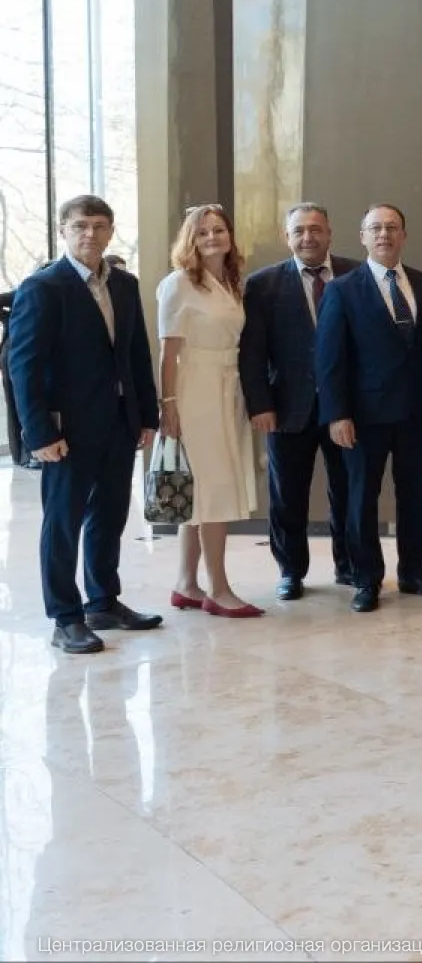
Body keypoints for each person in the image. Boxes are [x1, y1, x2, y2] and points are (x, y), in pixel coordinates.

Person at [7, 195, 162, 654]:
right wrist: (39, 433)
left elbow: (136, 354)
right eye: (80, 226)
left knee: (110, 517)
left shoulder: (126, 285)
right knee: (63, 523)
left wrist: (146, 416)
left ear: (111, 231)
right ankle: (65, 617)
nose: (89, 234)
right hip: (67, 430)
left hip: (119, 423)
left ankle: (103, 602)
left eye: (98, 226)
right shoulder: (43, 287)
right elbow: (23, 367)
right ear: (64, 231)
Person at [316, 204, 422, 613]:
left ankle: (415, 573)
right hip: (363, 417)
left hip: (417, 412)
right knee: (362, 499)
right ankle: (366, 580)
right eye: (375, 228)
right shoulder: (342, 289)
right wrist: (337, 414)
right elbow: (329, 359)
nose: (384, 235)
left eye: (392, 227)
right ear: (362, 237)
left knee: (413, 496)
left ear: (404, 235)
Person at [240, 202, 358, 600]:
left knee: (348, 491)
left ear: (330, 233)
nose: (308, 237)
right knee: (287, 496)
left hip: (345, 407)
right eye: (299, 231)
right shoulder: (263, 284)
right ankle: (291, 570)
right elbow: (252, 352)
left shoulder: (356, 274)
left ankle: (348, 565)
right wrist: (260, 404)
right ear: (286, 237)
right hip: (287, 408)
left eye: (316, 229)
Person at [157, 204, 261, 618]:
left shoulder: (229, 282)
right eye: (202, 233)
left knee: (199, 490)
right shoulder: (178, 283)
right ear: (190, 240)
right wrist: (168, 405)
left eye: (219, 230)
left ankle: (186, 583)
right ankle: (218, 588)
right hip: (195, 389)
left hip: (227, 387)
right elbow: (167, 352)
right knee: (212, 489)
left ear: (230, 236)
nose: (212, 237)